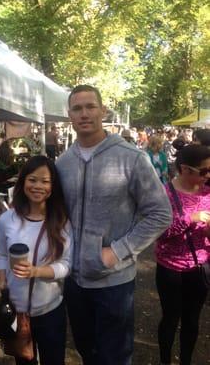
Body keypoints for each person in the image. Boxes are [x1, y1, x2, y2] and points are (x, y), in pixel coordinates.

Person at [56, 84, 172, 365]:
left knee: (115, 356)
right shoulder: (62, 163)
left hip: (113, 281)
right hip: (73, 279)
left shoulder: (131, 158)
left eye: (90, 107)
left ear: (103, 110)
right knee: (87, 351)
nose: (84, 114)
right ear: (69, 115)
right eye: (77, 108)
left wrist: (118, 251)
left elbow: (160, 213)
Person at [0, 155, 72, 365]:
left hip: (50, 311)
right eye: (32, 179)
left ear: (53, 186)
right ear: (23, 182)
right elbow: (2, 254)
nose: (38, 186)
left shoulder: (61, 221)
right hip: (18, 310)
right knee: (24, 361)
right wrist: (2, 280)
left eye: (45, 181)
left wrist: (37, 271)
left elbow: (67, 265)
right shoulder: (7, 220)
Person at [155, 144, 210, 365]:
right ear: (185, 169)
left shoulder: (208, 191)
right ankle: (165, 360)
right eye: (204, 171)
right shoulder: (164, 193)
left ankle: (185, 360)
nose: (209, 175)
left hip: (200, 267)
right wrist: (191, 219)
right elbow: (160, 233)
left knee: (192, 320)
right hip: (170, 268)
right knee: (170, 318)